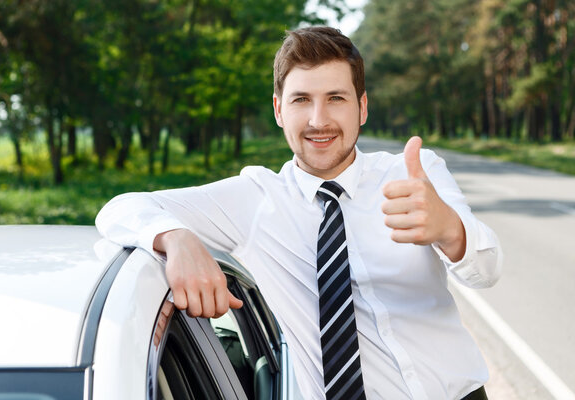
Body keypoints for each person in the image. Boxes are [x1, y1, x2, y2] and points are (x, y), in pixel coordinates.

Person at [96, 26, 501, 400]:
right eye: (301, 100)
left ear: (362, 108)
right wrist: (177, 238)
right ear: (278, 109)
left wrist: (450, 230)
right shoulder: (254, 200)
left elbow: (487, 271)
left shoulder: (415, 173)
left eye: (336, 99)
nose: (318, 120)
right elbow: (120, 208)